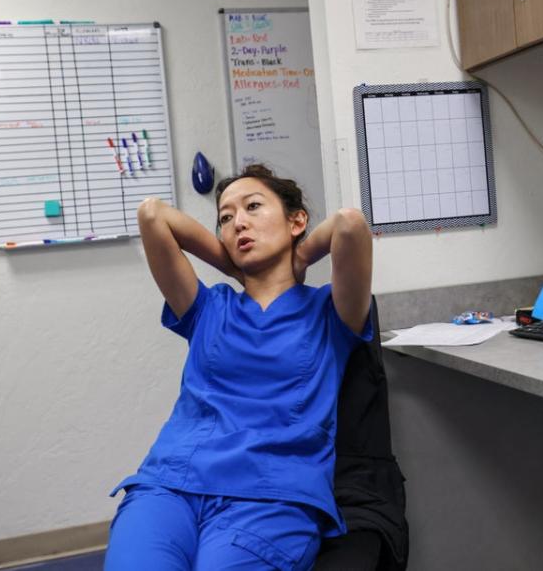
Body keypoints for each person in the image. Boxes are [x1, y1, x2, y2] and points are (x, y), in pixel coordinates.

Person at [104, 164, 373, 570]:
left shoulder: (329, 313)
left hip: (272, 496)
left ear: (297, 220)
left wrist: (299, 257)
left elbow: (350, 226)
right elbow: (152, 214)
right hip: (172, 483)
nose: (238, 223)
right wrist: (231, 265)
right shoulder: (209, 307)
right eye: (226, 219)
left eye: (253, 207)